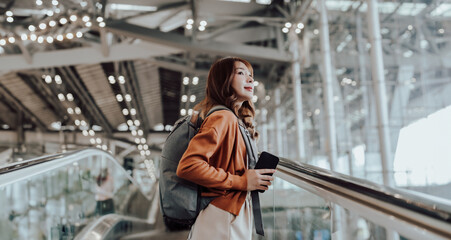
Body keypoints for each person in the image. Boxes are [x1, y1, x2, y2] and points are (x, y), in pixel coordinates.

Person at [176, 57, 275, 239]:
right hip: (223, 218)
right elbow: (189, 166)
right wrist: (242, 182)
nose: (250, 79)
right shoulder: (223, 117)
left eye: (250, 75)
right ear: (223, 81)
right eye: (240, 73)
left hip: (228, 214)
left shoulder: (233, 120)